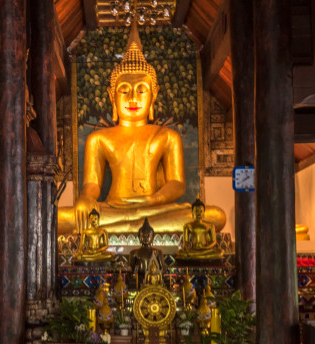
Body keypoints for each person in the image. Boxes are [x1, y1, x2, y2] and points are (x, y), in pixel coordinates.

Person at [56, 23, 226, 234]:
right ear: (112, 96)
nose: (133, 98)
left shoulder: (167, 136)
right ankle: (133, 226)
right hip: (113, 208)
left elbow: (177, 184)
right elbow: (92, 184)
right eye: (124, 90)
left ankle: (128, 226)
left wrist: (151, 200)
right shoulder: (98, 139)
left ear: (153, 95)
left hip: (155, 209)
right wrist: (85, 199)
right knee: (58, 219)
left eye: (141, 90)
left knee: (215, 216)